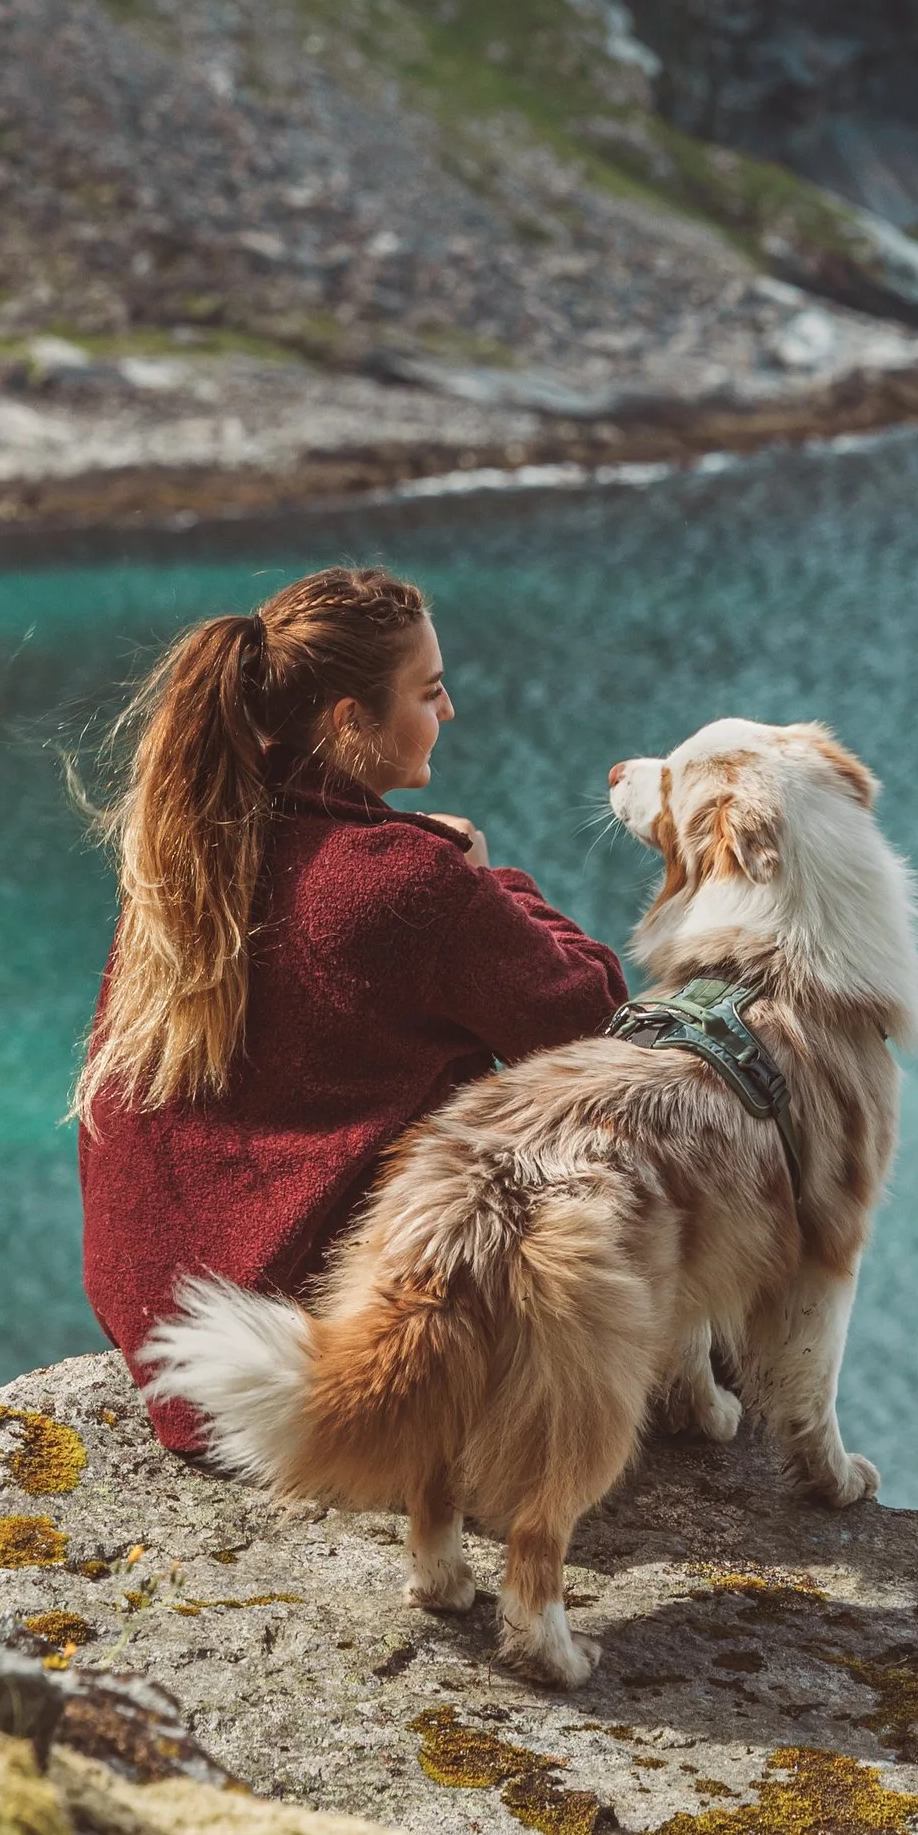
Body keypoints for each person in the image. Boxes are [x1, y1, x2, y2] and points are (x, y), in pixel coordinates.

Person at [73, 562, 626, 1454]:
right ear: (347, 720)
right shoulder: (407, 881)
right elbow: (593, 1015)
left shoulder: (190, 853)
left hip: (166, 1336)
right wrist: (492, 879)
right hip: (322, 1366)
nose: (446, 713)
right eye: (429, 691)